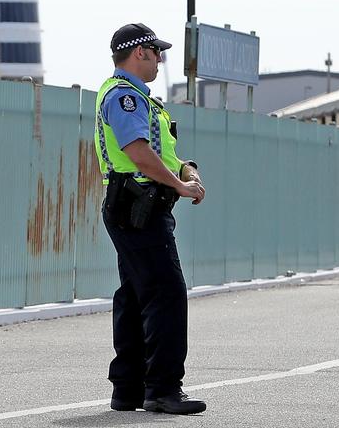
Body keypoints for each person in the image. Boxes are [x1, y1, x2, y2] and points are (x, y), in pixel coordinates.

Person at [95, 23, 207, 415]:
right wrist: (178, 184)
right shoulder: (125, 97)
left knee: (135, 293)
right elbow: (138, 152)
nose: (160, 59)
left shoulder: (137, 97)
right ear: (139, 52)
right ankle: (162, 388)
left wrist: (185, 169)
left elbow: (156, 150)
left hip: (133, 203)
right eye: (156, 51)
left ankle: (127, 388)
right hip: (137, 204)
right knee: (166, 292)